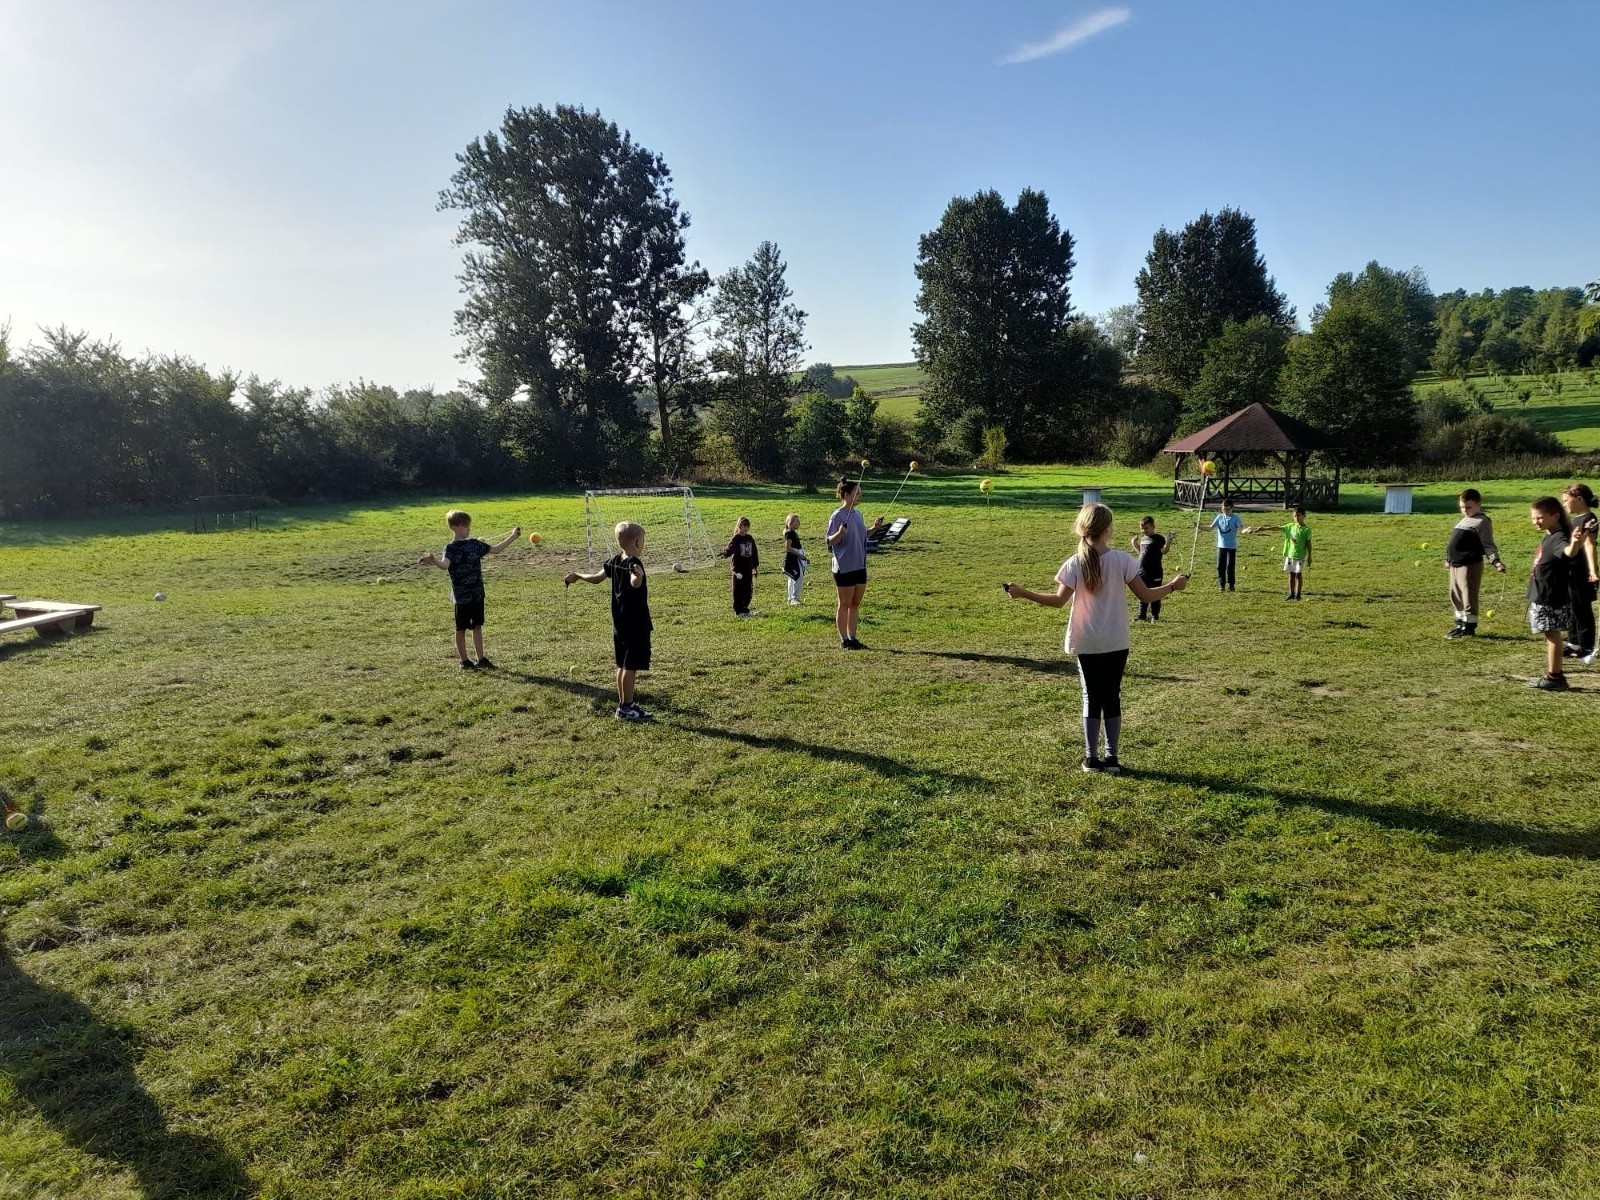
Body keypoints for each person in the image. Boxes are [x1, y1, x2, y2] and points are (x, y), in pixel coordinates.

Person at [1005, 504, 1189, 774]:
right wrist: (1174, 585)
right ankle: (1111, 758)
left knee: (1091, 697)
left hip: (1087, 642)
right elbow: (1146, 596)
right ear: (1107, 530)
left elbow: (1058, 601)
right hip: (1115, 641)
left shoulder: (1075, 562)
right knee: (1111, 696)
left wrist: (1023, 593)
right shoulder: (1123, 560)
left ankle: (1092, 759)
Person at [565, 521, 655, 721]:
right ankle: (627, 707)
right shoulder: (635, 563)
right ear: (638, 542)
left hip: (619, 622)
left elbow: (597, 578)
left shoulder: (614, 560)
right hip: (635, 623)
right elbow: (635, 582)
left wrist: (578, 576)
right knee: (629, 666)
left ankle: (623, 705)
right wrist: (638, 577)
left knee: (622, 665)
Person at [417, 509, 520, 669]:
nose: (468, 528)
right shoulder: (450, 548)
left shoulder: (475, 544)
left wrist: (513, 536)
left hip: (477, 593)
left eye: (468, 525)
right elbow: (445, 565)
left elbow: (496, 549)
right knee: (461, 629)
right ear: (454, 527)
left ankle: (481, 659)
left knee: (477, 626)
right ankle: (465, 661)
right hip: (461, 596)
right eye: (464, 525)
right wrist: (433, 560)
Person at [1526, 496, 1590, 691]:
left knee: (1552, 635)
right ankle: (1555, 675)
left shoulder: (1559, 537)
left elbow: (1567, 552)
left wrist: (1575, 543)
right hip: (1543, 595)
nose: (1536, 521)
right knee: (1550, 634)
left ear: (1555, 516)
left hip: (1549, 597)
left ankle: (1554, 677)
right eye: (1534, 518)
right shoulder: (1550, 534)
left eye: (1540, 518)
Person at [826, 477, 885, 650]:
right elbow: (829, 541)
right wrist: (839, 533)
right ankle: (844, 639)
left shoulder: (858, 514)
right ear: (846, 494)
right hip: (844, 567)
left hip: (860, 565)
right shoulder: (837, 515)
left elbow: (862, 534)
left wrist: (874, 528)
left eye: (861, 493)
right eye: (857, 493)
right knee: (844, 604)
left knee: (855, 604)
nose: (860, 496)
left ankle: (852, 637)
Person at [1443, 487, 1506, 640]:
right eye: (1462, 507)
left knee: (1468, 595)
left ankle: (1469, 626)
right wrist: (1448, 558)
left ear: (1479, 504)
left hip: (1469, 565)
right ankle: (1459, 623)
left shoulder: (1482, 521)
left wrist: (1496, 561)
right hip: (1455, 564)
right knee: (1455, 594)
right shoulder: (1463, 519)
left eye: (1468, 507)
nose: (1465, 510)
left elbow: (1488, 544)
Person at [1560, 484, 1600, 662]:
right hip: (1569, 570)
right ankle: (1573, 642)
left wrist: (1592, 571)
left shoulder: (1589, 519)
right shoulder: (1573, 520)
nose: (1564, 504)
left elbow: (1590, 545)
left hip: (1581, 571)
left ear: (1579, 498)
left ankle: (1586, 646)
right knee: (1570, 607)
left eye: (1566, 500)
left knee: (1581, 608)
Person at [1129, 515, 1170, 621]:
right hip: (1142, 571)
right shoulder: (1143, 539)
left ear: (1153, 527)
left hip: (1155, 571)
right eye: (1142, 528)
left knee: (1155, 592)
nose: (1144, 530)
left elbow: (1164, 551)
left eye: (1146, 528)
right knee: (1143, 592)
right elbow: (1141, 552)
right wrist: (1134, 543)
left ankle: (1155, 615)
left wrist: (1168, 541)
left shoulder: (1158, 538)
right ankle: (1141, 615)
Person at [718, 516, 759, 616]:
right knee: (738, 590)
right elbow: (730, 549)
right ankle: (739, 610)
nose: (746, 528)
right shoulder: (736, 538)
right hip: (738, 569)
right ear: (739, 526)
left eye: (747, 526)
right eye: (744, 525)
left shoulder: (750, 538)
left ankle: (745, 608)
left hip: (748, 568)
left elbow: (754, 553)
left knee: (748, 589)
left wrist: (754, 567)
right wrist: (724, 553)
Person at [1209, 499, 1243, 591]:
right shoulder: (1219, 517)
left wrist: (1246, 530)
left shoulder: (1236, 518)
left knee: (1230, 567)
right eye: (1223, 508)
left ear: (1231, 508)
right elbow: (1210, 528)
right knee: (1220, 566)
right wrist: (1198, 526)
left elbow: (1241, 529)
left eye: (1227, 509)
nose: (1225, 510)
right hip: (1221, 547)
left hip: (1231, 547)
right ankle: (1222, 585)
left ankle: (1231, 585)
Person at [1281, 506, 1312, 600]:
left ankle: (1298, 594)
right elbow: (1277, 528)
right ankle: (1291, 593)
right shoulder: (1290, 526)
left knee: (1298, 574)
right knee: (1291, 574)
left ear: (1304, 516)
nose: (1296, 518)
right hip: (1291, 555)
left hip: (1300, 556)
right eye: (1295, 516)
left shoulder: (1306, 530)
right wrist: (1263, 528)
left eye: (1298, 516)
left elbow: (1309, 544)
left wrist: (1309, 556)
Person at [782, 513, 809, 606]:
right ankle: (794, 598)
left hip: (795, 557)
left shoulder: (792, 532)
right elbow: (788, 547)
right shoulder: (789, 533)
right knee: (798, 577)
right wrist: (799, 555)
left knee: (792, 578)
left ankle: (790, 598)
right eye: (797, 521)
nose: (799, 523)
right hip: (793, 559)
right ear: (791, 522)